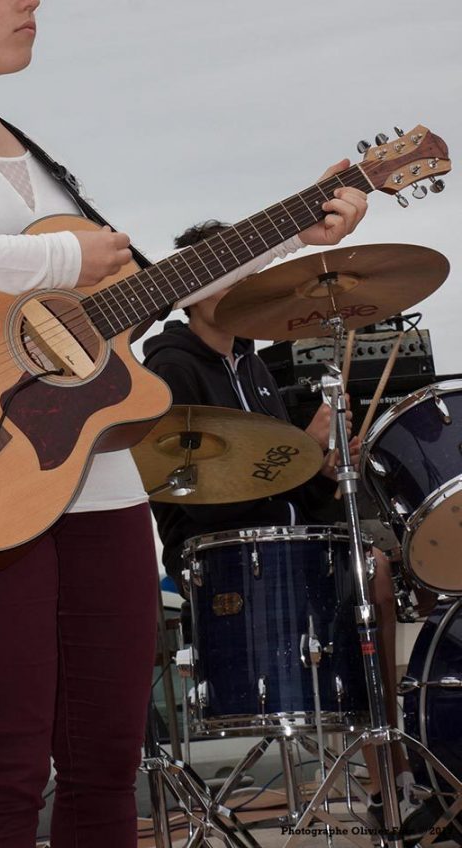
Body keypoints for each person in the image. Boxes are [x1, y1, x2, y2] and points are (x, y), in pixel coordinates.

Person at [0, 0, 368, 848]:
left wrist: (296, 229)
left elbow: (144, 288)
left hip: (99, 484)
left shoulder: (39, 166)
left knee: (109, 767)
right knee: (6, 767)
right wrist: (50, 260)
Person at [143, 219, 434, 839]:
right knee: (370, 573)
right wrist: (302, 441)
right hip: (219, 553)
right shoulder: (170, 370)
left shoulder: (253, 367)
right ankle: (389, 774)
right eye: (225, 274)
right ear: (191, 290)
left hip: (288, 540)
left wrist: (324, 466)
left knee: (376, 567)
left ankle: (392, 774)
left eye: (246, 272)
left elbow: (294, 494)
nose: (242, 284)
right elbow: (204, 500)